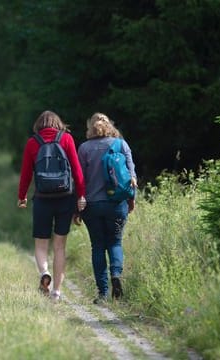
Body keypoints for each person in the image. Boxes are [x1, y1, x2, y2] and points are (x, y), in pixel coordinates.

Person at [18, 110, 87, 302]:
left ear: (39, 125)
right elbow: (77, 170)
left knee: (41, 244)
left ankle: (44, 273)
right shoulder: (66, 139)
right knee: (59, 247)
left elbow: (26, 174)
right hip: (65, 198)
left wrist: (22, 196)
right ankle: (56, 292)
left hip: (42, 199)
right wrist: (81, 194)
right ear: (58, 124)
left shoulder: (33, 142)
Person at [77, 112, 137, 304]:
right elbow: (131, 175)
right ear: (109, 125)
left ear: (90, 127)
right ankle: (116, 275)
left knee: (98, 246)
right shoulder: (121, 145)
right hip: (117, 203)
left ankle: (102, 293)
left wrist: (76, 207)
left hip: (92, 205)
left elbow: (79, 180)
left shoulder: (84, 148)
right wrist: (131, 199)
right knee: (115, 243)